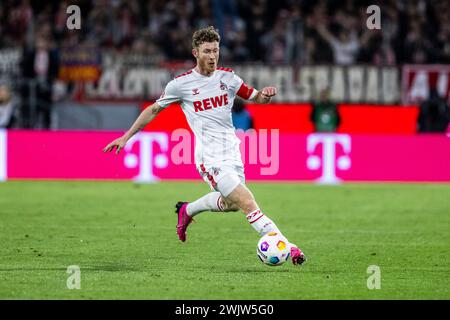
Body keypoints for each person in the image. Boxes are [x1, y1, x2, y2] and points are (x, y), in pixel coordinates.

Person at [103, 26, 306, 266]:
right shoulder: (181, 84)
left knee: (231, 204)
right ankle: (290, 248)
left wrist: (265, 95)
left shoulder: (228, 78)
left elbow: (255, 96)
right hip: (209, 157)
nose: (213, 56)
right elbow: (153, 110)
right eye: (207, 51)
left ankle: (187, 210)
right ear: (195, 53)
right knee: (248, 202)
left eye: (216, 50)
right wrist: (127, 136)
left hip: (232, 152)